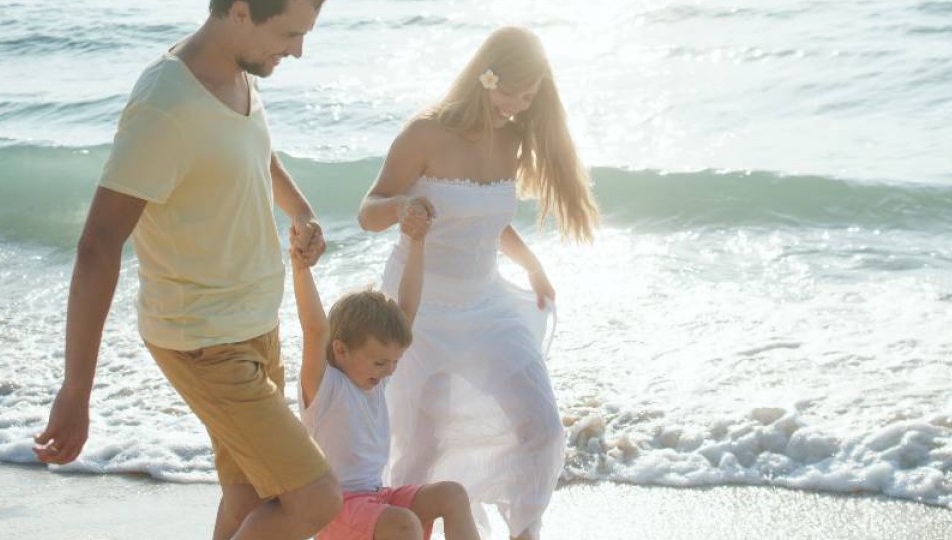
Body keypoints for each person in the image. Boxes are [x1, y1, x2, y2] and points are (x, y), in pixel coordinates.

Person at [34, 1, 341, 538]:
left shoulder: (239, 73)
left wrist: (301, 210)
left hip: (254, 326)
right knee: (315, 498)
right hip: (203, 340)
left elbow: (255, 152)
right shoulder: (165, 104)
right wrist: (76, 388)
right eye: (291, 33)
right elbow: (99, 244)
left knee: (250, 499)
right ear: (241, 10)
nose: (298, 50)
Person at [357, 26, 600, 540]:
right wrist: (403, 209)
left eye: (527, 97)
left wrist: (531, 263)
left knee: (542, 426)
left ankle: (523, 532)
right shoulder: (425, 132)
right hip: (418, 305)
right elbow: (367, 211)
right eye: (507, 92)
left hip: (486, 303)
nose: (513, 106)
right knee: (419, 446)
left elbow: (484, 217)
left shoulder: (512, 139)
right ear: (483, 77)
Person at [292, 199, 481, 540]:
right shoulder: (324, 386)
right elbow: (313, 328)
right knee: (403, 523)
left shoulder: (372, 375)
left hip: (375, 497)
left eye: (394, 361)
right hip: (334, 508)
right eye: (381, 362)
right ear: (341, 350)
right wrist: (301, 269)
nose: (390, 371)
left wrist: (417, 242)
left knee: (452, 494)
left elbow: (407, 308)